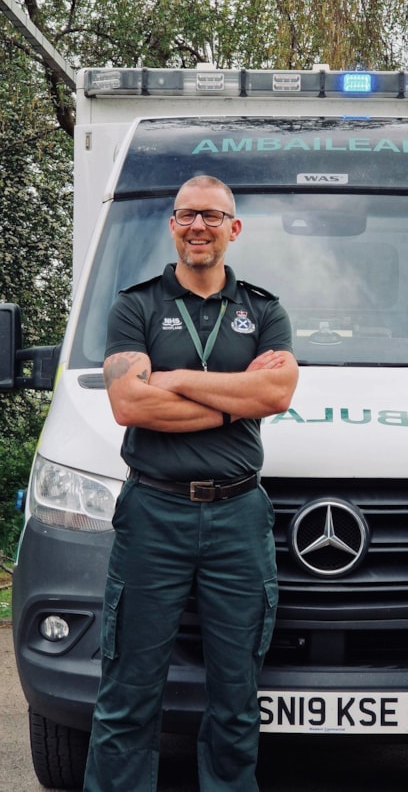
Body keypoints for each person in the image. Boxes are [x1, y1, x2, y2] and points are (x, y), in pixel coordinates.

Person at [83, 175, 299, 792]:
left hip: (238, 517)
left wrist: (172, 379)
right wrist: (237, 403)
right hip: (155, 512)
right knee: (128, 694)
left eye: (211, 215)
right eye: (185, 215)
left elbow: (277, 392)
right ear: (172, 226)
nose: (198, 226)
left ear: (233, 228)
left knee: (235, 699)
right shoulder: (137, 305)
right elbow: (129, 405)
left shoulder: (263, 309)